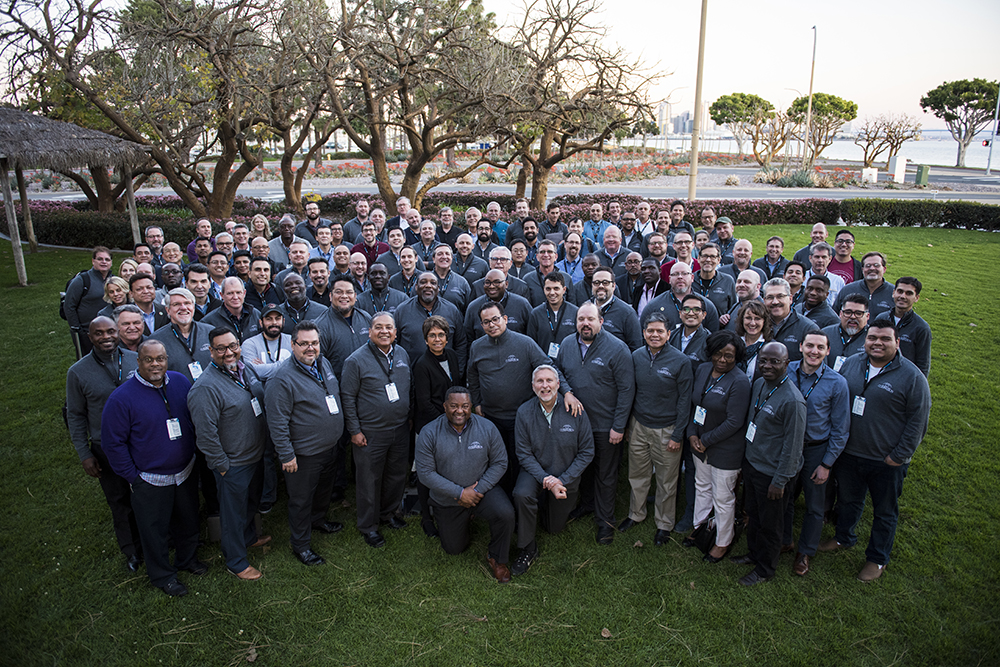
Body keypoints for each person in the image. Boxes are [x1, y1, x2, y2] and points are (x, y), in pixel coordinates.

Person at [820, 316, 931, 581]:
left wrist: (899, 456)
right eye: (872, 338)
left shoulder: (912, 377)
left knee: (884, 511)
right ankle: (844, 537)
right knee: (848, 500)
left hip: (886, 460)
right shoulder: (853, 364)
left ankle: (877, 558)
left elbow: (918, 421)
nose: (877, 343)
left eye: (884, 339)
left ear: (897, 342)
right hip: (849, 453)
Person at [101, 340, 206, 597]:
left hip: (185, 471)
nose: (155, 364)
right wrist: (133, 477)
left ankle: (187, 559)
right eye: (149, 359)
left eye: (160, 358)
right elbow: (113, 444)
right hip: (150, 479)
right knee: (154, 530)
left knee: (189, 519)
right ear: (138, 362)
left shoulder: (180, 382)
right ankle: (163, 575)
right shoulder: (122, 399)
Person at [467, 301, 578, 491]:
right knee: (496, 460)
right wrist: (476, 402)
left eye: (495, 320)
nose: (491, 325)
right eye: (486, 322)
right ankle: (502, 500)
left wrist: (567, 392)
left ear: (505, 319)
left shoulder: (525, 343)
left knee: (520, 459)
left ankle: (521, 497)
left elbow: (548, 368)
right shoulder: (477, 347)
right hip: (491, 417)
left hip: (521, 417)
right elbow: (472, 376)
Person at [187, 328, 269, 580]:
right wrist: (222, 465)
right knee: (232, 515)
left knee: (249, 504)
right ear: (211, 352)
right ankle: (236, 561)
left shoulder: (245, 370)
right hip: (233, 463)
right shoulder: (205, 388)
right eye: (221, 348)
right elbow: (206, 434)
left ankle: (248, 538)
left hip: (255, 455)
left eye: (233, 346)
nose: (229, 352)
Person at [264, 322, 345, 566]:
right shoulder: (282, 379)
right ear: (293, 345)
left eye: (314, 343)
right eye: (304, 344)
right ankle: (301, 544)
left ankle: (318, 520)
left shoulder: (323, 363)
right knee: (301, 500)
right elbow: (277, 422)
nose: (310, 348)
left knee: (323, 491)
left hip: (330, 447)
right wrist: (286, 455)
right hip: (304, 454)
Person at [66, 316, 142, 572]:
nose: (106, 337)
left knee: (147, 494)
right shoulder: (78, 372)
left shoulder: (135, 360)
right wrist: (84, 454)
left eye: (111, 331)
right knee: (120, 500)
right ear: (90, 337)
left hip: (142, 441)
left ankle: (159, 539)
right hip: (106, 446)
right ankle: (131, 550)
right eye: (99, 333)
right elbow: (75, 415)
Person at [555, 302, 635, 544]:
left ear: (602, 322)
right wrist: (567, 391)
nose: (585, 324)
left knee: (606, 475)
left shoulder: (617, 349)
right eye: (581, 320)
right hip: (577, 424)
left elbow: (626, 390)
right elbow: (557, 371)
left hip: (605, 426)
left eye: (590, 319)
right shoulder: (568, 344)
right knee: (585, 470)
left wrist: (619, 426)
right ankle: (587, 505)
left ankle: (605, 521)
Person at [415, 386, 513, 582]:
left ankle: (497, 558)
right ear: (444, 407)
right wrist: (459, 493)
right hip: (448, 498)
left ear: (471, 407)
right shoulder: (429, 432)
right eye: (454, 406)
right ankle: (464, 518)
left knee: (506, 514)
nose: (459, 411)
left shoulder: (487, 427)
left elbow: (500, 462)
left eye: (465, 406)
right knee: (454, 549)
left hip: (481, 491)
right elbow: (425, 473)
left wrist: (475, 490)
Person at [729, 342, 806, 586]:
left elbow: (793, 447)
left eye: (775, 361)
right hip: (753, 465)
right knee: (754, 515)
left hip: (773, 475)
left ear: (787, 363)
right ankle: (754, 553)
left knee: (771, 525)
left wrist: (780, 480)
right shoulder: (761, 384)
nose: (767, 366)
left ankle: (765, 569)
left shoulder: (793, 401)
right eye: (763, 360)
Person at [510, 365, 594, 576]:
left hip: (566, 476)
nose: (545, 386)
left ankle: (544, 510)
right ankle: (528, 548)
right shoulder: (524, 412)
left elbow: (587, 452)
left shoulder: (575, 410)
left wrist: (561, 480)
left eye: (549, 381)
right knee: (521, 494)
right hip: (535, 472)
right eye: (540, 381)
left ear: (559, 385)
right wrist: (546, 478)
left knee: (553, 528)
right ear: (532, 386)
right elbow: (523, 454)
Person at [618, 313, 693, 545]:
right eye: (650, 330)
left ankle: (664, 523)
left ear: (669, 334)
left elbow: (685, 401)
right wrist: (629, 424)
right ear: (643, 333)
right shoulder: (636, 357)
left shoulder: (681, 362)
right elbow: (630, 392)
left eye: (660, 331)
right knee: (637, 475)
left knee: (666, 481)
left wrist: (677, 434)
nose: (655, 335)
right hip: (639, 425)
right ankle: (636, 514)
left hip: (667, 429)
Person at [781, 331, 850, 577]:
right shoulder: (786, 370)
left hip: (815, 448)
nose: (814, 351)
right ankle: (785, 541)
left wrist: (826, 463)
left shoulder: (836, 383)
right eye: (809, 345)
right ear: (800, 346)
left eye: (820, 347)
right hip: (788, 445)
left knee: (814, 505)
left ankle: (805, 552)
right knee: (785, 496)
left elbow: (841, 429)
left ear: (828, 351)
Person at [341, 313, 413, 548]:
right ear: (369, 332)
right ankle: (369, 526)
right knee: (369, 480)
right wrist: (354, 430)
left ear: (395, 331)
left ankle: (389, 514)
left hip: (400, 428)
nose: (384, 332)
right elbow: (348, 398)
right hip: (370, 432)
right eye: (379, 327)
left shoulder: (401, 354)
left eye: (389, 327)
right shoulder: (355, 360)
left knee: (396, 475)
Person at [686, 330, 751, 563]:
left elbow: (734, 421)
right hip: (699, 443)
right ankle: (700, 529)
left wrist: (706, 440)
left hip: (725, 450)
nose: (722, 360)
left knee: (723, 497)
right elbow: (696, 405)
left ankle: (722, 543)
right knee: (702, 487)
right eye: (718, 354)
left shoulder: (740, 381)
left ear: (737, 358)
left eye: (729, 356)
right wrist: (692, 433)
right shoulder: (703, 369)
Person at [412, 316, 464, 536]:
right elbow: (423, 402)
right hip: (429, 425)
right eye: (432, 335)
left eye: (441, 334)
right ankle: (426, 517)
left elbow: (457, 386)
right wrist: (448, 421)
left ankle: (449, 507)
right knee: (426, 471)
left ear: (447, 337)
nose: (437, 339)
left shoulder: (451, 356)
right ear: (425, 339)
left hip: (452, 421)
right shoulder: (422, 364)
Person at [394, 272, 468, 369]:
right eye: (423, 282)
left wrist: (458, 371)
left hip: (446, 375)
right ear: (416, 287)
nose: (428, 286)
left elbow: (461, 344)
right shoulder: (402, 310)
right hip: (413, 373)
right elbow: (394, 344)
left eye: (433, 283)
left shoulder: (451, 310)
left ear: (438, 288)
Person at [150, 288, 215, 383]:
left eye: (187, 303)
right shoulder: (156, 340)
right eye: (176, 304)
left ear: (193, 307)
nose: (183, 307)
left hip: (212, 392)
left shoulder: (211, 332)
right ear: (168, 310)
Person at [315, 276, 373, 378]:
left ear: (355, 296)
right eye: (339, 292)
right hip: (339, 386)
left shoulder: (366, 318)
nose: (344, 296)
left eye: (349, 292)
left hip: (367, 385)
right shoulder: (321, 326)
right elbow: (318, 364)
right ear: (330, 296)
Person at [641, 261, 721, 333]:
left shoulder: (706, 305)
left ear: (692, 278)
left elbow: (713, 337)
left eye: (684, 273)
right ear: (669, 279)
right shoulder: (654, 305)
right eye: (675, 274)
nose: (680, 277)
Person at [65, 246, 113, 358]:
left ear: (111, 262)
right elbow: (69, 306)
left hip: (108, 332)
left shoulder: (112, 280)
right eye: (100, 259)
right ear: (93, 261)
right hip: (86, 333)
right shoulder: (82, 280)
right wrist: (77, 329)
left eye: (107, 259)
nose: (104, 262)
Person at [763, 277, 820, 362]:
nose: (775, 302)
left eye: (780, 296)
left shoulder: (808, 328)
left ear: (790, 299)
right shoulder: (757, 325)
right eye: (770, 297)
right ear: (764, 300)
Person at [465, 269, 532, 341]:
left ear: (506, 284)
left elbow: (532, 334)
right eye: (487, 283)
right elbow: (468, 338)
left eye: (496, 282)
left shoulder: (522, 304)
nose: (491, 286)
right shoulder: (473, 307)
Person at [526, 272, 579, 359]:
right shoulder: (536, 314)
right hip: (544, 365)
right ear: (544, 290)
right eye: (548, 289)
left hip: (569, 363)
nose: (552, 292)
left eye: (556, 288)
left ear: (564, 290)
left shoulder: (575, 312)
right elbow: (531, 344)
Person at [589, 267, 643, 351]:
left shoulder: (627, 313)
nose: (600, 286)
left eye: (605, 283)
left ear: (613, 286)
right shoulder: (584, 309)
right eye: (596, 283)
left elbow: (636, 347)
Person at [890, 277, 931, 377]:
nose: (903, 296)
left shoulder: (921, 327)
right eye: (900, 291)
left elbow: (923, 363)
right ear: (893, 293)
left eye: (909, 293)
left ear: (916, 298)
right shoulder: (882, 318)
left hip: (904, 378)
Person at [241, 303, 293, 380]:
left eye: (278, 318)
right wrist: (287, 364)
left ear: (283, 321)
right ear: (261, 323)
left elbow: (300, 367)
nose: (274, 322)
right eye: (269, 319)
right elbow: (252, 372)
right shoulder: (250, 344)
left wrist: (264, 368)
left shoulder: (292, 341)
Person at [834, 251, 894, 318]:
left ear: (884, 269)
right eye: (868, 266)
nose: (872, 268)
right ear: (862, 269)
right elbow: (835, 315)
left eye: (876, 265)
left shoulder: (893, 292)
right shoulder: (848, 290)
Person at [202, 277, 261, 343]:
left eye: (238, 292)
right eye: (230, 293)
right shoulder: (209, 321)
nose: (235, 297)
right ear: (222, 295)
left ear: (244, 293)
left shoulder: (256, 315)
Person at [824, 294, 870, 371]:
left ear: (867, 316)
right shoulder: (825, 334)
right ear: (840, 314)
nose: (852, 317)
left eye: (859, 313)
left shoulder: (873, 338)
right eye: (848, 312)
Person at [523, 240, 574, 307]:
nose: (546, 255)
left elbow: (571, 305)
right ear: (537, 256)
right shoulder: (527, 279)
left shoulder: (566, 278)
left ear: (556, 256)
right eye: (542, 252)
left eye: (549, 252)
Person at [670, 293, 712, 375]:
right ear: (680, 314)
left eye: (696, 310)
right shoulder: (670, 336)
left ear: (704, 315)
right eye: (686, 309)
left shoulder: (709, 341)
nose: (691, 313)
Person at [736, 300, 772, 381]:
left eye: (757, 319)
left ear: (764, 321)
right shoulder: (734, 342)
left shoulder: (770, 346)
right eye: (748, 318)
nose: (752, 323)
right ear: (742, 320)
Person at [430, 244, 471, 311]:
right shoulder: (423, 281)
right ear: (433, 259)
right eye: (440, 254)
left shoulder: (462, 282)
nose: (444, 256)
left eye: (447, 254)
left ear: (452, 258)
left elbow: (468, 310)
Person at [805, 242, 846, 306]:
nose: (820, 260)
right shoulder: (802, 278)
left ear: (830, 259)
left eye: (824, 257)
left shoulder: (838, 281)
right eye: (817, 257)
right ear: (810, 258)